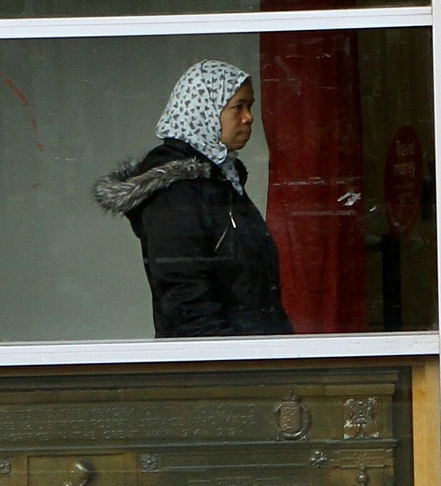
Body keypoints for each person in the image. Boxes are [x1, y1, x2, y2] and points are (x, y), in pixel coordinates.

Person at [93, 59, 292, 338]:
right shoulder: (177, 193)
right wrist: (229, 365)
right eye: (238, 106)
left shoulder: (222, 180)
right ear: (204, 109)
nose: (248, 117)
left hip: (253, 358)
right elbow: (185, 299)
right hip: (220, 369)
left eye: (251, 106)